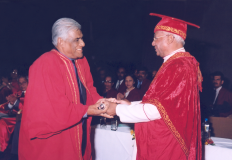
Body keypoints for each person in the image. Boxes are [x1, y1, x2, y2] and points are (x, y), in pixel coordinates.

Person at [107, 13, 202, 160]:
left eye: (155, 38)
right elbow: (165, 104)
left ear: (170, 38)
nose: (152, 43)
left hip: (165, 145)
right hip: (166, 140)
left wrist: (117, 109)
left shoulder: (178, 66)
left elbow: (158, 109)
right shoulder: (180, 63)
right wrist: (130, 104)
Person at [19, 18, 111, 160]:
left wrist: (103, 101)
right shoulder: (45, 64)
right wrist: (88, 110)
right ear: (61, 42)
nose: (83, 43)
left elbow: (89, 90)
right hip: (54, 142)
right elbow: (53, 109)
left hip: (79, 131)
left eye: (82, 39)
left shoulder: (81, 61)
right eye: (77, 40)